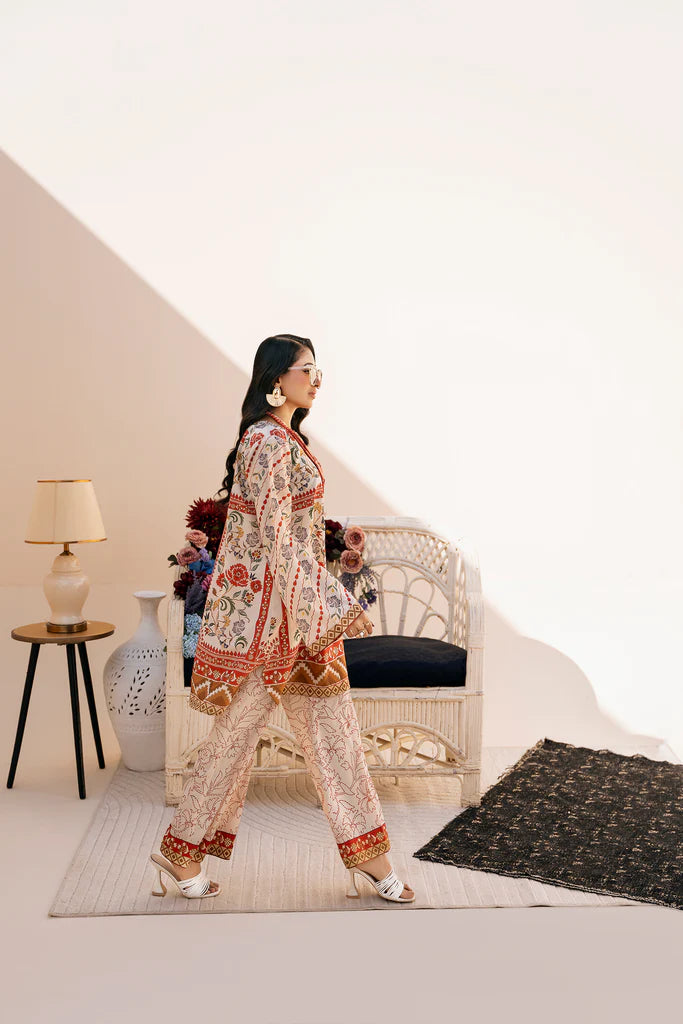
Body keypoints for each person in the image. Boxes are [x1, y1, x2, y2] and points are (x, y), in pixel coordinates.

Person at [149, 334, 415, 904]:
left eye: (319, 371)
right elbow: (275, 540)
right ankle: (182, 850)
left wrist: (330, 571)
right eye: (306, 369)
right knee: (239, 739)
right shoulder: (266, 441)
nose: (316, 380)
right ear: (276, 378)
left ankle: (370, 858)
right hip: (273, 626)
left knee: (333, 736)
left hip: (296, 618)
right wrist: (336, 604)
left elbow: (293, 532)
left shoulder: (283, 439)